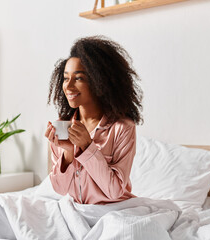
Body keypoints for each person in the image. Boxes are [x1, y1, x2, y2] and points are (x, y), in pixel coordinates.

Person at [45, 35, 143, 205]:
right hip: (78, 212)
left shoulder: (122, 128)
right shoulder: (61, 127)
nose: (68, 86)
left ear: (100, 82)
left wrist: (87, 148)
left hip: (116, 210)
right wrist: (68, 153)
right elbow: (59, 190)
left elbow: (115, 191)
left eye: (79, 78)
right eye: (66, 78)